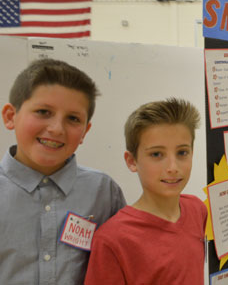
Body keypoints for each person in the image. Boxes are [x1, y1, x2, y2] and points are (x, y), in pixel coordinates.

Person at [0, 58, 126, 284]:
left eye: (73, 119)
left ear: (85, 131)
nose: (56, 128)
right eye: (43, 112)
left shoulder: (104, 193)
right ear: (11, 116)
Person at [84, 98, 207, 284]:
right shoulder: (112, 239)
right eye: (157, 154)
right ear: (132, 161)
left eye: (182, 153)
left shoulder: (197, 209)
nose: (173, 167)